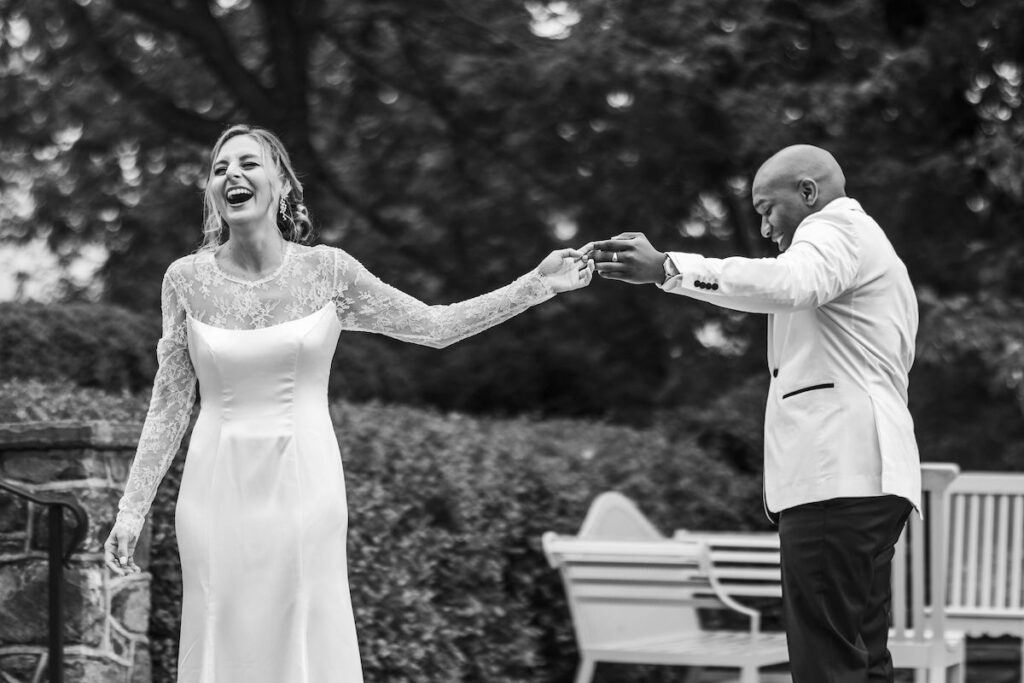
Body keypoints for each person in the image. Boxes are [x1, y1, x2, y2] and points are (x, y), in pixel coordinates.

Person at [103, 123, 594, 683]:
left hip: (304, 482)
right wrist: (131, 510)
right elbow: (168, 405)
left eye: (248, 163)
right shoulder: (184, 280)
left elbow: (434, 327)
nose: (232, 175)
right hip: (213, 490)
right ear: (213, 195)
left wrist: (535, 284)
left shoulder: (329, 271)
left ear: (283, 185)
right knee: (219, 631)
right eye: (220, 169)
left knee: (306, 632)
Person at [587, 144, 921, 683]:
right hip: (872, 479)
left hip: (835, 476)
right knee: (861, 659)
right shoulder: (870, 247)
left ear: (808, 193)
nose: (763, 226)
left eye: (768, 208)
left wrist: (670, 268)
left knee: (827, 665)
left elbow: (791, 283)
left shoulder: (834, 231)